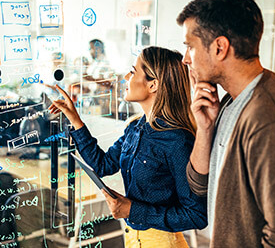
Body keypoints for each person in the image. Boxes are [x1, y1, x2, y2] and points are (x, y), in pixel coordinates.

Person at [177, 0, 275, 247]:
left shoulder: (270, 119)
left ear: (219, 47)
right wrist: (206, 128)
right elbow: (199, 187)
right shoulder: (230, 101)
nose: (185, 59)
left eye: (189, 47)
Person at [49, 46, 207, 247]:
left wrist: (133, 210)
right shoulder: (135, 127)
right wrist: (75, 120)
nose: (125, 77)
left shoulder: (177, 140)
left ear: (153, 85)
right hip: (132, 238)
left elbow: (196, 215)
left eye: (133, 71)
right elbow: (102, 165)